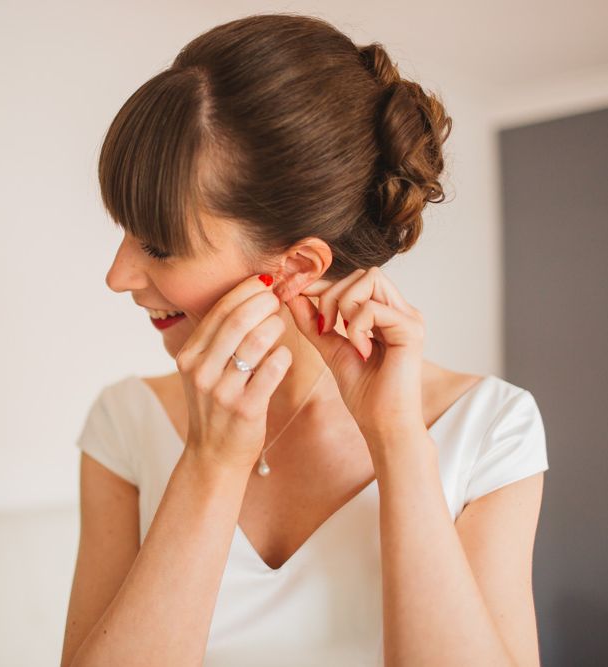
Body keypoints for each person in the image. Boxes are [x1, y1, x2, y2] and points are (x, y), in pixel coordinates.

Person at [61, 13, 549, 667]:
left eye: (158, 245)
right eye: (122, 231)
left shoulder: (492, 429)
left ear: (294, 267)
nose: (117, 275)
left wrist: (398, 441)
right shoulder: (124, 424)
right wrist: (209, 463)